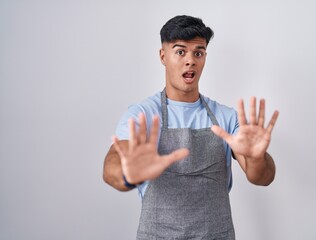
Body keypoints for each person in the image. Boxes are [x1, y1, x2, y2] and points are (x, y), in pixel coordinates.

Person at [103, 15, 279, 240]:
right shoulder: (143, 115)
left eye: (198, 52)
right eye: (180, 51)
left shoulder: (226, 118)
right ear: (163, 56)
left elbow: (262, 177)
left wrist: (256, 158)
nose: (191, 61)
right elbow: (111, 168)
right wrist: (128, 174)